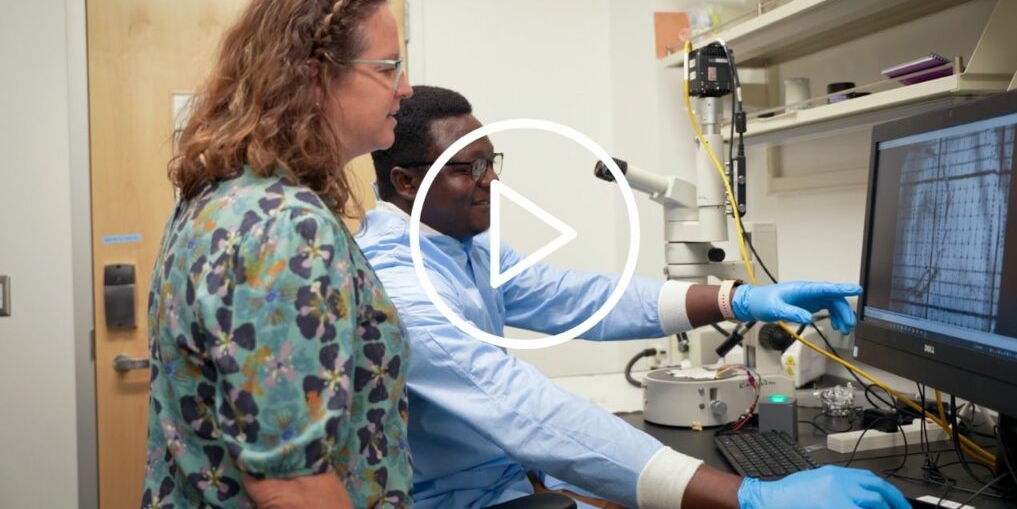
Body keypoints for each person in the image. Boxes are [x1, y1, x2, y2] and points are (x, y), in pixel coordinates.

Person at [356, 85, 912, 509]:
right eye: (471, 168)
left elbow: (581, 298)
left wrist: (735, 301)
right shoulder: (401, 290)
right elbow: (529, 413)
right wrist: (749, 497)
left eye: (493, 162)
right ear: (408, 183)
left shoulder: (461, 249)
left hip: (516, 481)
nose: (493, 182)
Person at [140, 0, 414, 508]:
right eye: (388, 67)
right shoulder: (285, 226)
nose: (405, 87)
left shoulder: (218, 199)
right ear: (314, 77)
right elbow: (291, 485)